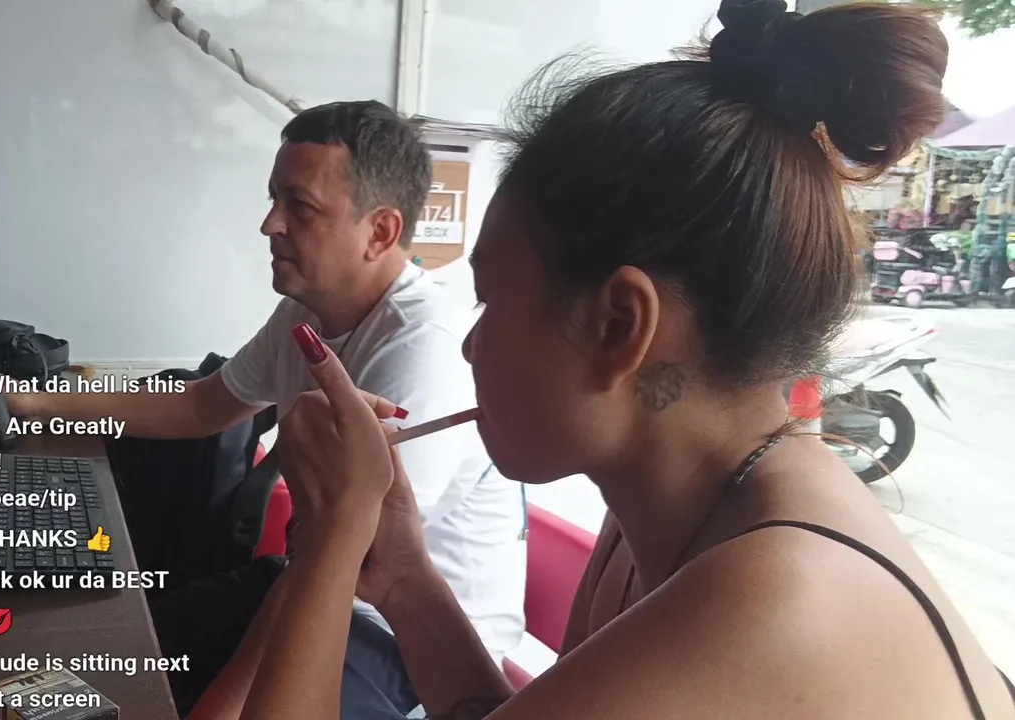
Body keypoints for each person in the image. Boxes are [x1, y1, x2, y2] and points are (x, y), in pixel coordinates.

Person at [200, 2, 1015, 718]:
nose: (471, 345)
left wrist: (331, 541)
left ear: (622, 326)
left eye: (490, 300)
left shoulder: (770, 601)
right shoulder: (667, 510)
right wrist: (409, 576)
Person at [6, 101, 526, 716]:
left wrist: (222, 706)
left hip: (401, 643)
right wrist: (33, 402)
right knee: (127, 652)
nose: (269, 224)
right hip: (311, 578)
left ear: (380, 232)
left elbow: (350, 556)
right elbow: (203, 403)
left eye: (299, 206)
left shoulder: (424, 346)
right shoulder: (305, 310)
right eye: (273, 199)